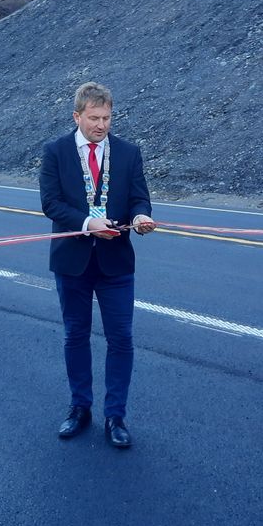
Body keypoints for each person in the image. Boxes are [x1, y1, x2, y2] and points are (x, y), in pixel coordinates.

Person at [39, 82, 156, 448]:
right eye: (93, 118)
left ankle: (115, 416)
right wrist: (88, 223)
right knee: (76, 335)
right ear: (77, 116)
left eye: (106, 117)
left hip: (116, 263)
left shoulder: (128, 153)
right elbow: (51, 204)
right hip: (72, 260)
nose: (101, 125)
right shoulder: (55, 152)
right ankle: (79, 407)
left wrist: (141, 218)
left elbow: (140, 198)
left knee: (121, 339)